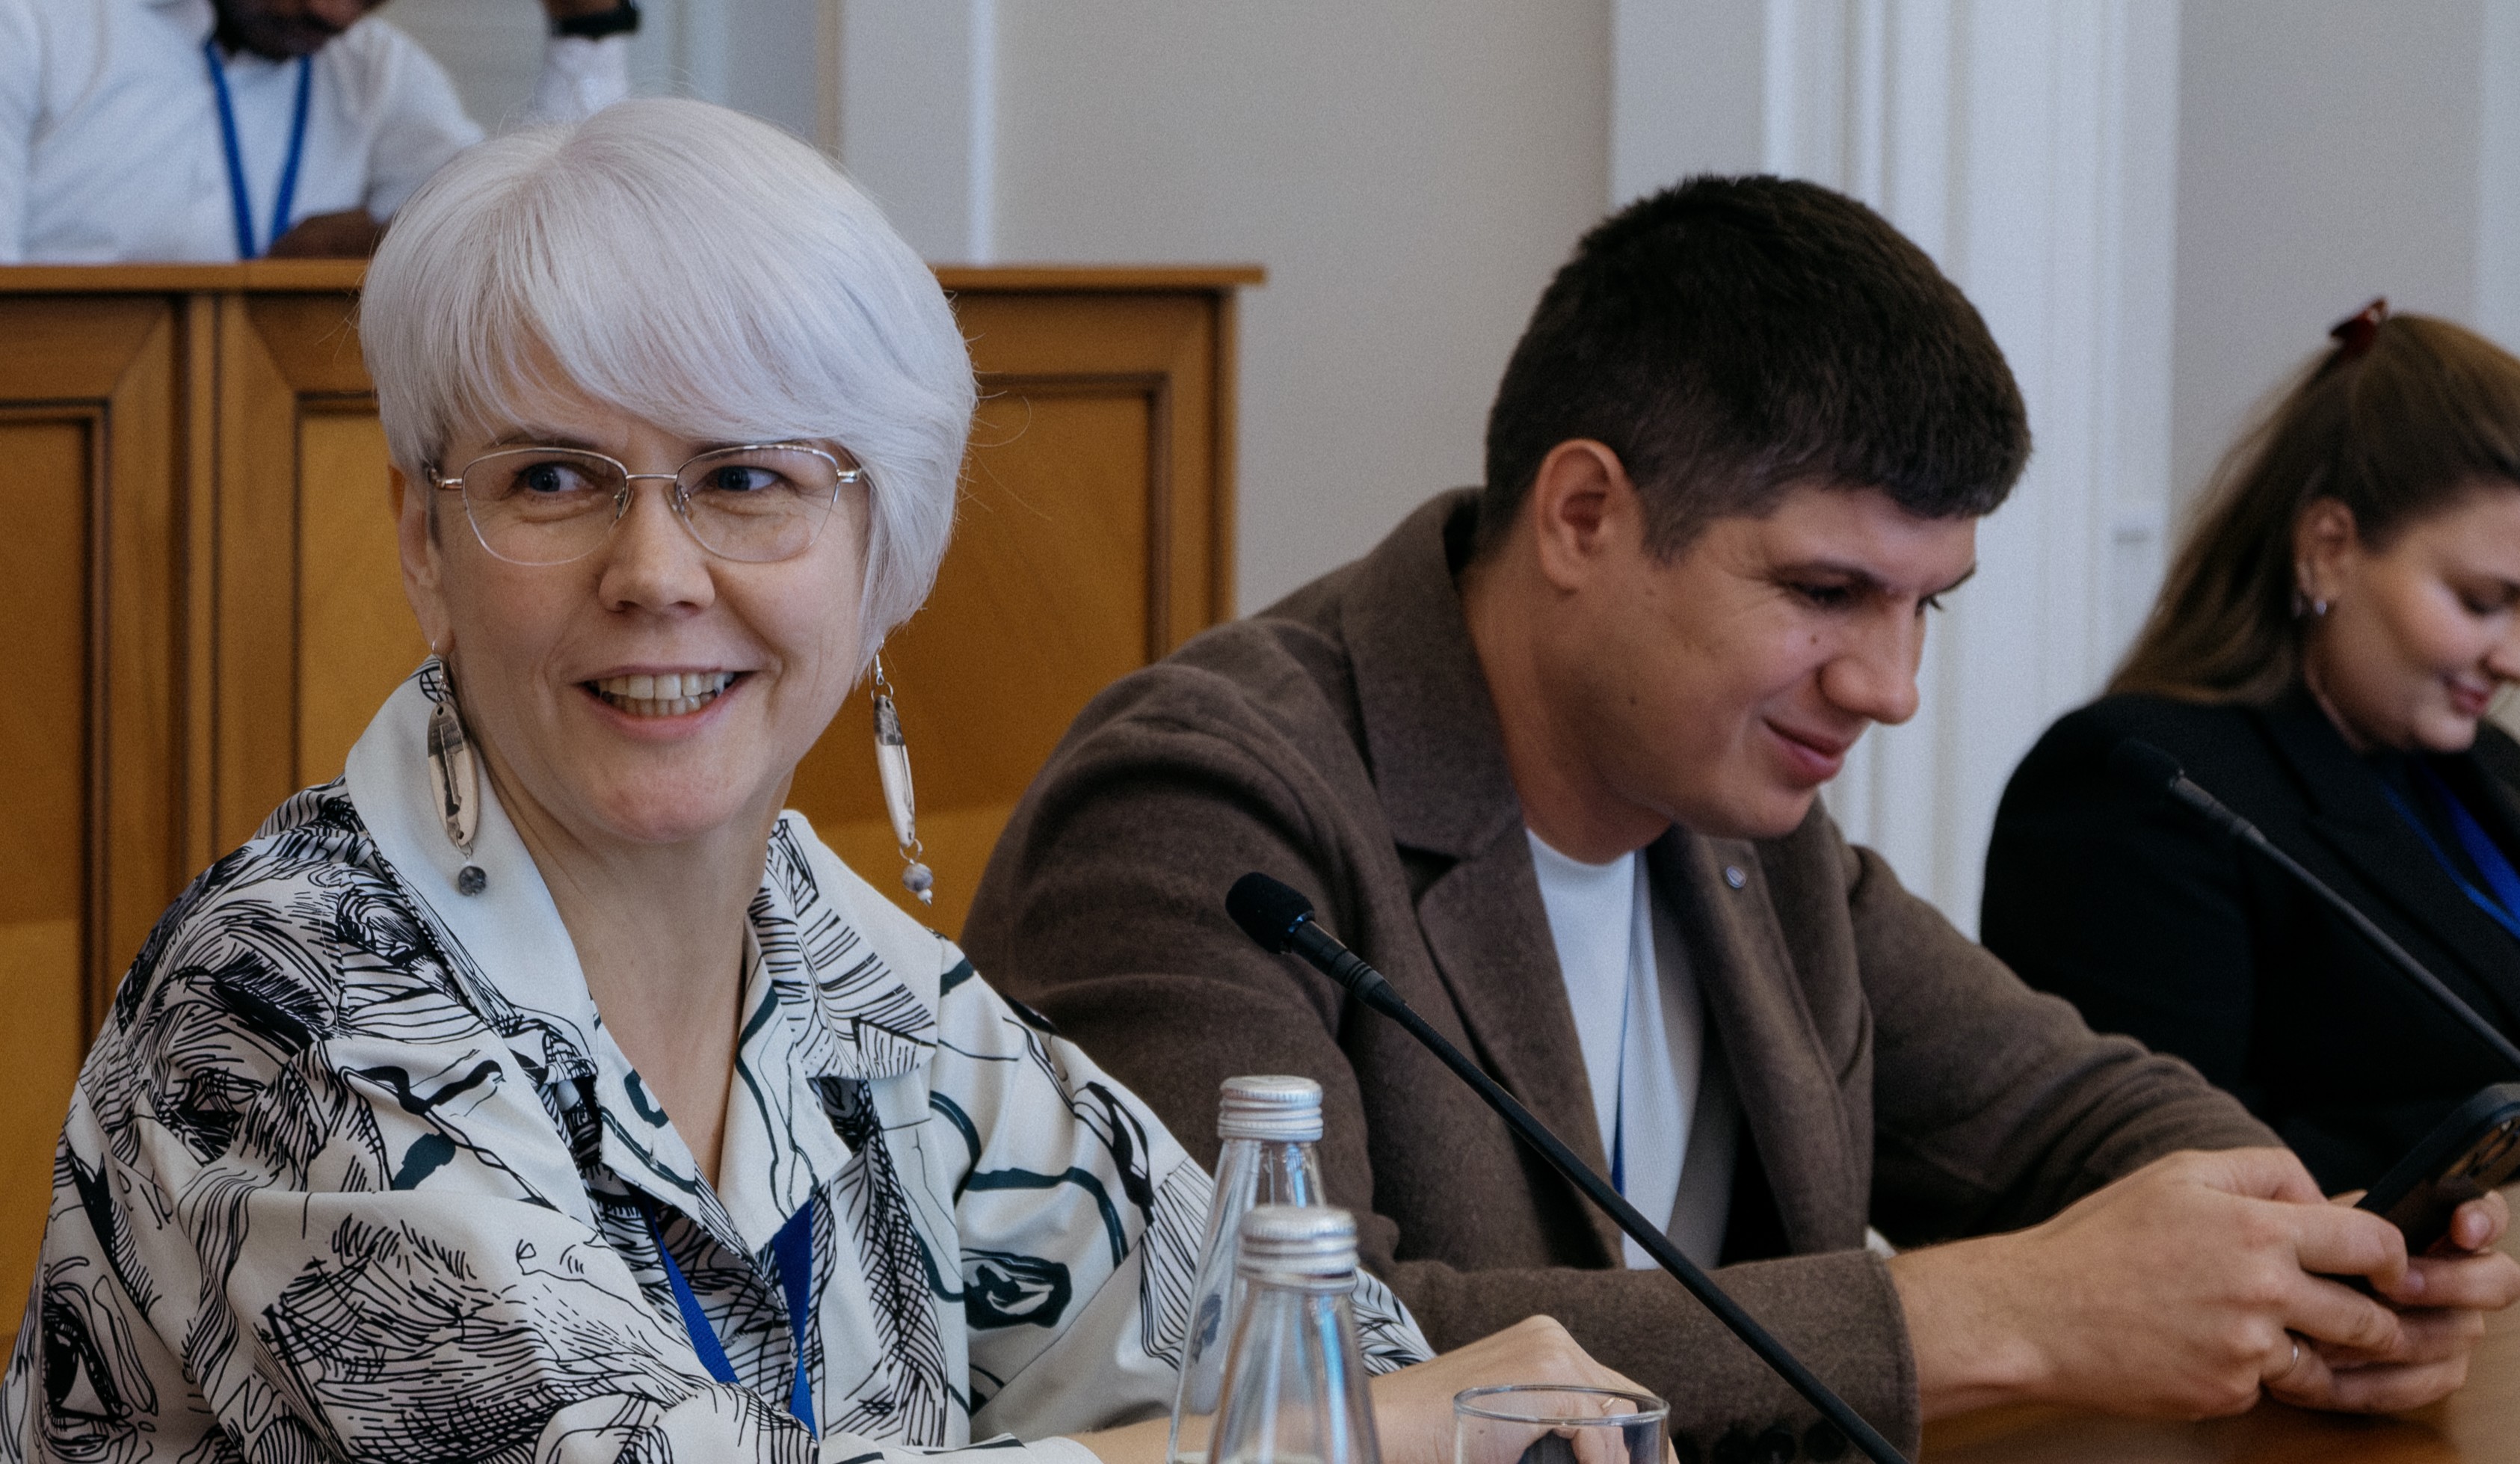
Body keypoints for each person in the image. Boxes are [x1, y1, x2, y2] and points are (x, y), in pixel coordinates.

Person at [0, 99, 1643, 1464]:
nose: (655, 572)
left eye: (745, 477)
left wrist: (1379, 1414)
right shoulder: (281, 1000)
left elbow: (1294, 1350)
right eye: (555, 477)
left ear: (881, 553)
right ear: (426, 541)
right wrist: (1327, 1436)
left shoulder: (847, 962)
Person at [960, 182, 2520, 1459]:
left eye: (1924, 605)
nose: (1890, 686)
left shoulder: (1738, 815)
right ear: (1584, 515)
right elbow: (1271, 1375)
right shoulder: (1198, 806)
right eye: (1825, 590)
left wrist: (2318, 1266)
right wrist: (1996, 1313)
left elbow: (2063, 1105)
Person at [1983, 302, 2520, 1193]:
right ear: (2328, 548)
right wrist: (2480, 1142)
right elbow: (2157, 1169)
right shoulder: (2138, 784)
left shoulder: (2485, 766)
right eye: (2480, 602)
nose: (2510, 658)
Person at [0, 0, 638, 262]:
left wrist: (587, 27)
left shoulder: (378, 70)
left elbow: (555, 245)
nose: (334, 14)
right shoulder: (31, 27)